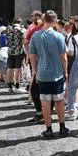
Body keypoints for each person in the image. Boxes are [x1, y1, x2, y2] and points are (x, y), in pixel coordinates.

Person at [27, 10, 69, 139]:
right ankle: (62, 127)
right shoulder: (59, 36)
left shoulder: (35, 36)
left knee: (45, 102)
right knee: (59, 101)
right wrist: (65, 71)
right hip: (57, 73)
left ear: (43, 20)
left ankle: (49, 129)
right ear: (55, 21)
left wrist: (34, 70)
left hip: (42, 73)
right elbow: (64, 57)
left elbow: (32, 56)